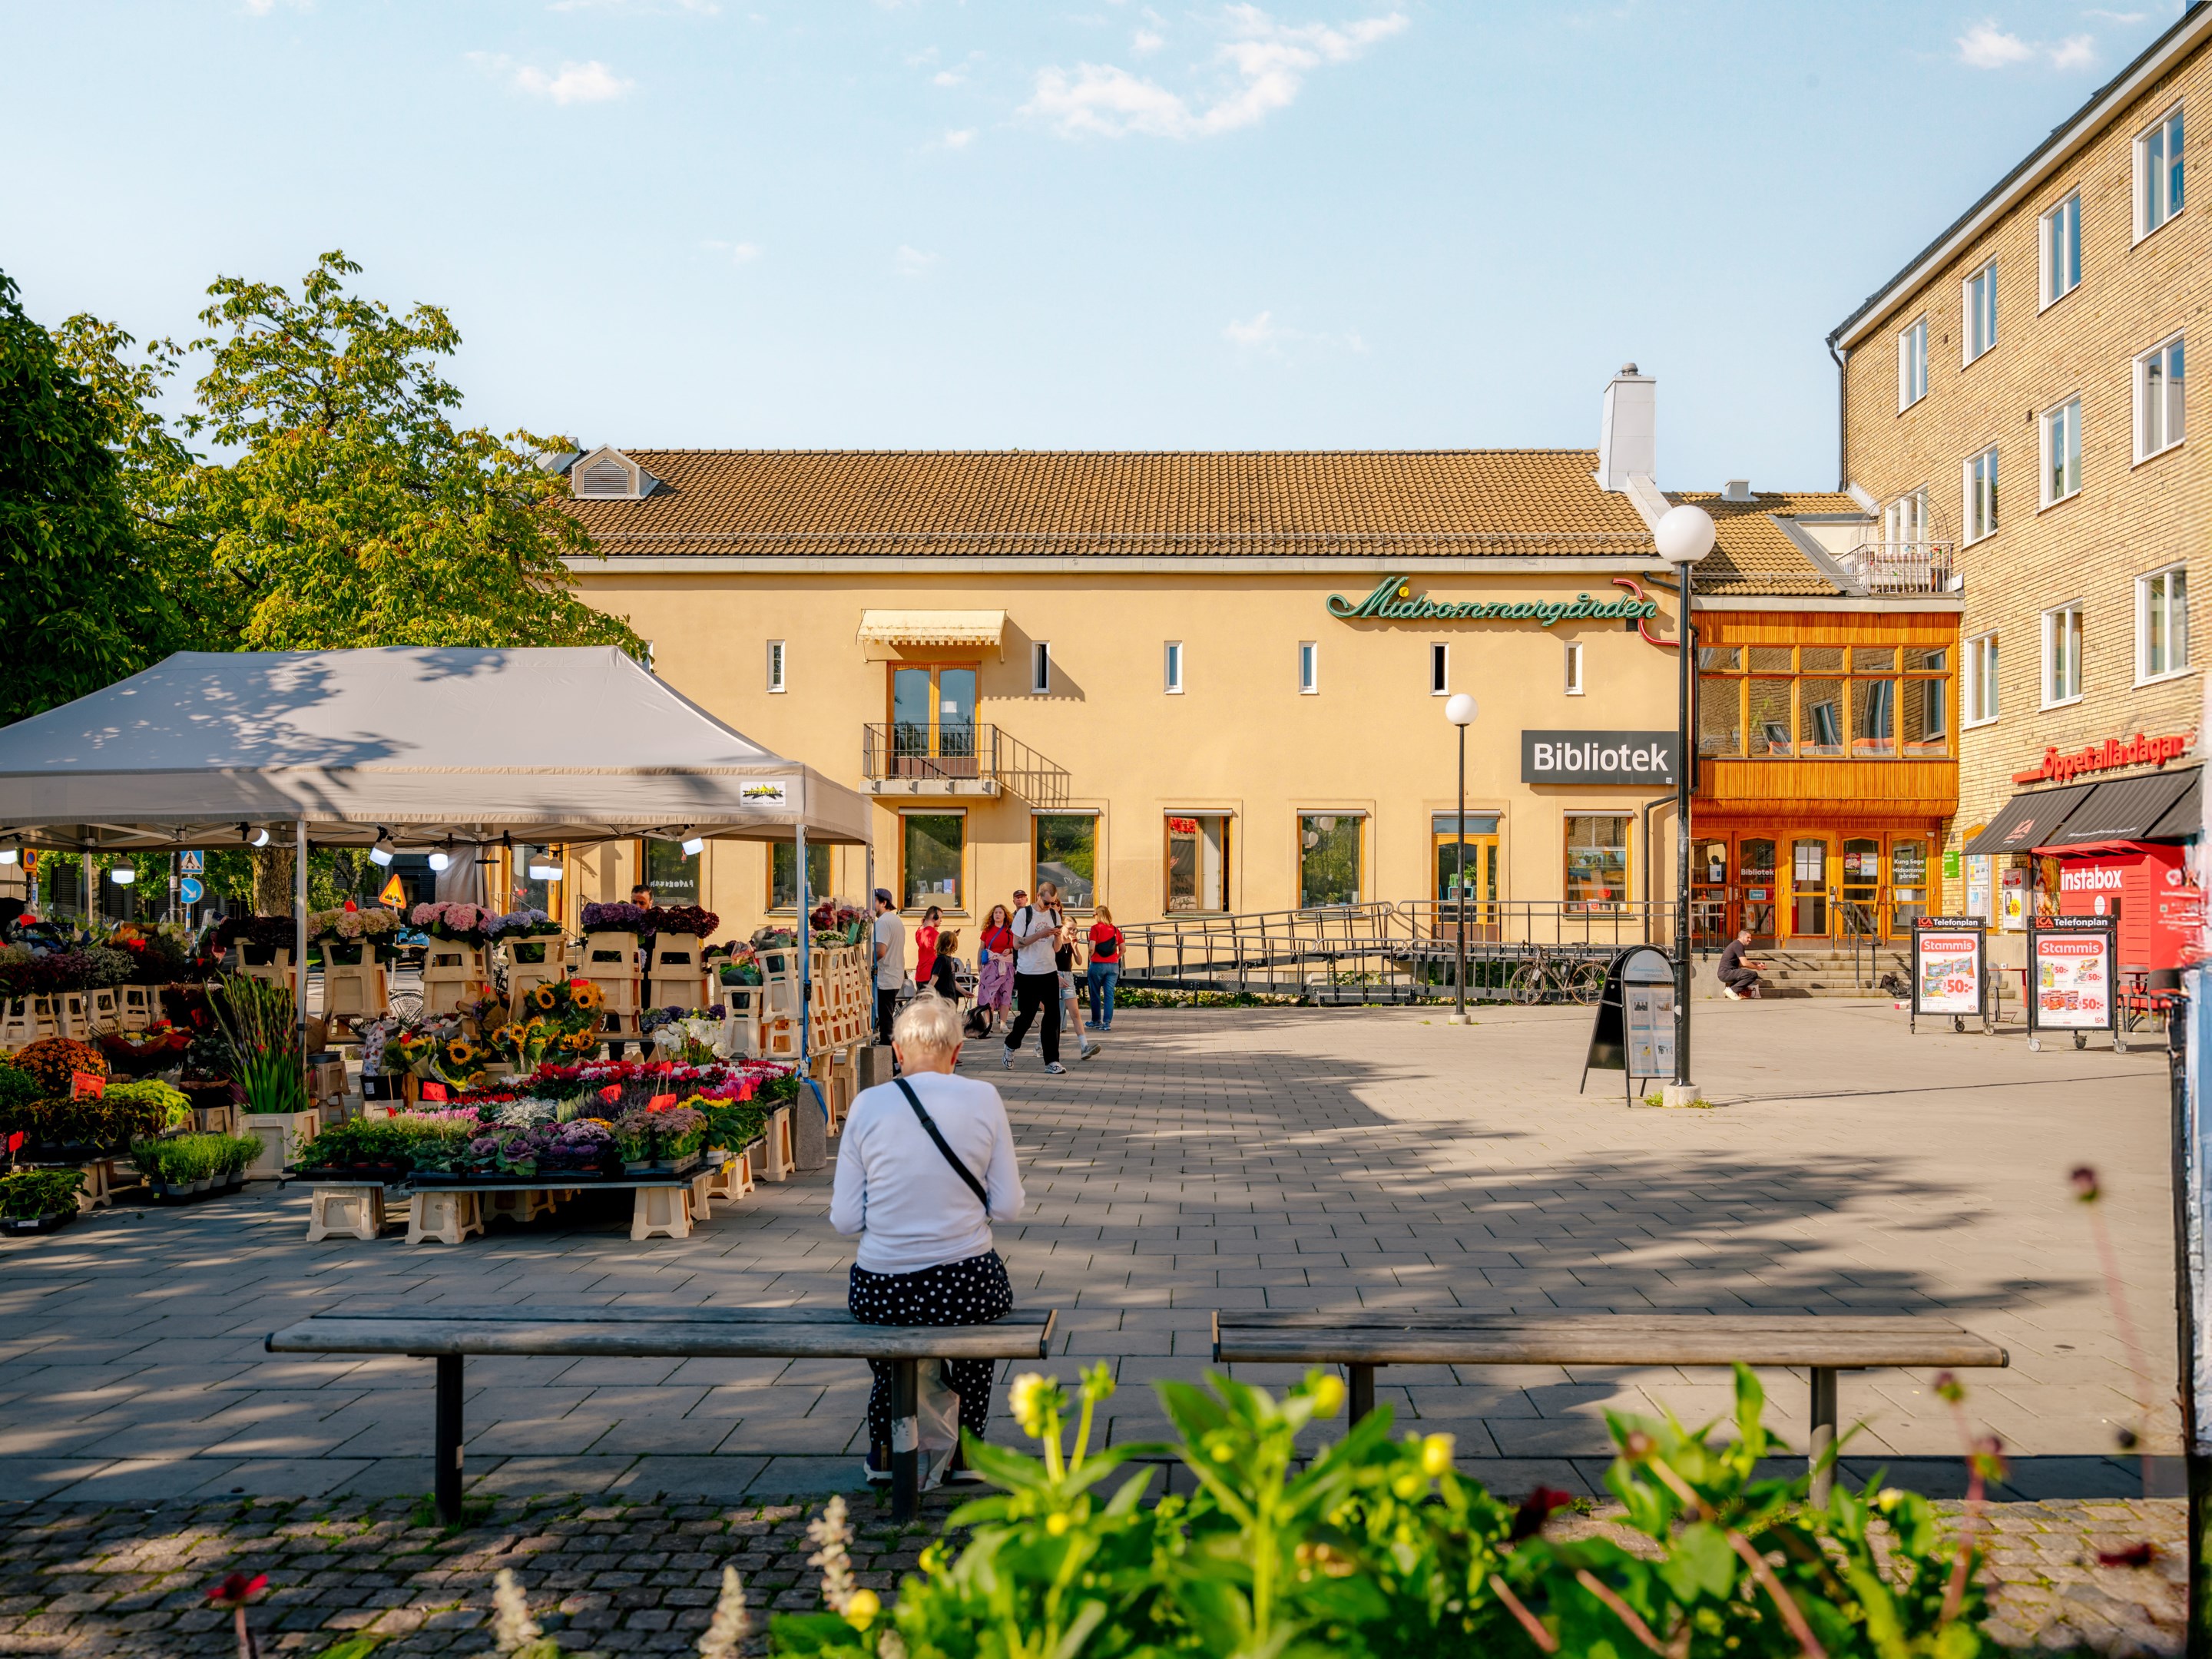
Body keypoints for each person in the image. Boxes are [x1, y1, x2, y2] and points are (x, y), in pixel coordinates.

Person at [831, 994, 1025, 1487]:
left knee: (889, 1357)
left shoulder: (867, 1104)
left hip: (883, 1288)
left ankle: (884, 1449)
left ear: (897, 1051)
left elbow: (846, 1221)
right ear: (956, 1052)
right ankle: (965, 1453)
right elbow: (1007, 1208)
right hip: (965, 1284)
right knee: (975, 1354)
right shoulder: (983, 1098)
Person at [1001, 883, 1065, 1073]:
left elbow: (1056, 948)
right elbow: (1017, 944)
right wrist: (1041, 934)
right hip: (1028, 973)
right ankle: (1010, 1045)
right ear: (1038, 896)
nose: (1049, 906)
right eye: (1046, 902)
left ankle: (1052, 1061)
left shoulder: (1054, 914)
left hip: (1049, 972)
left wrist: (1058, 936)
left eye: (1053, 903)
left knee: (1053, 1017)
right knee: (1027, 1017)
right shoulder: (1024, 914)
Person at [1055, 921, 1100, 1061]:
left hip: (1068, 977)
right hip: (1054, 975)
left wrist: (1075, 947)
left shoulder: (1071, 941)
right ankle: (1041, 1044)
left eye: (1075, 929)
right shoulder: (1055, 941)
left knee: (1075, 1013)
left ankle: (1084, 1046)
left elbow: (1080, 961)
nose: (1072, 932)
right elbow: (1047, 960)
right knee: (1053, 1016)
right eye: (1070, 929)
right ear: (1062, 926)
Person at [973, 905, 1016, 1035]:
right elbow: (981, 948)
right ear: (992, 915)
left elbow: (1017, 947)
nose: (997, 915)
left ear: (1005, 915)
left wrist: (1010, 950)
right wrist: (979, 963)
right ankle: (989, 1023)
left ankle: (1003, 1023)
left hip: (1006, 965)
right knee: (988, 994)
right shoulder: (987, 930)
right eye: (995, 913)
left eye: (1000, 912)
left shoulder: (1010, 931)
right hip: (991, 965)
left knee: (1006, 993)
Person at [872, 889, 906, 1048]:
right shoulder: (896, 920)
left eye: (874, 901)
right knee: (887, 1020)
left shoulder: (883, 922)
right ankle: (893, 1060)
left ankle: (891, 1060)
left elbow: (880, 951)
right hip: (895, 975)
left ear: (883, 903)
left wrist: (865, 963)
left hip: (885, 977)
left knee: (886, 1023)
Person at [1085, 906, 1123, 1031]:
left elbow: (1092, 947)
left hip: (1097, 964)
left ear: (1098, 915)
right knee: (1109, 994)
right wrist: (1115, 958)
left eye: (1094, 915)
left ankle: (1096, 1021)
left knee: (1095, 993)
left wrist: (1092, 957)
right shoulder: (1115, 930)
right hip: (1113, 966)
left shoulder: (1095, 928)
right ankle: (1107, 1023)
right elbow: (1123, 949)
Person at [1717, 926, 1763, 999]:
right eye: (1748, 938)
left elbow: (1740, 963)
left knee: (1746, 974)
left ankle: (1731, 990)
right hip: (1726, 972)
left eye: (1750, 938)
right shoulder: (1738, 945)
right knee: (1752, 974)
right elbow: (1745, 963)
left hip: (1726, 973)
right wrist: (1757, 967)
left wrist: (1755, 964)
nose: (1750, 940)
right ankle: (1732, 990)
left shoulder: (1736, 944)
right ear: (1742, 937)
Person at [914, 906, 942, 994]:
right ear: (934, 916)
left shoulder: (918, 931)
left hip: (920, 974)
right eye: (940, 918)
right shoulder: (935, 934)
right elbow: (942, 951)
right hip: (931, 974)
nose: (941, 920)